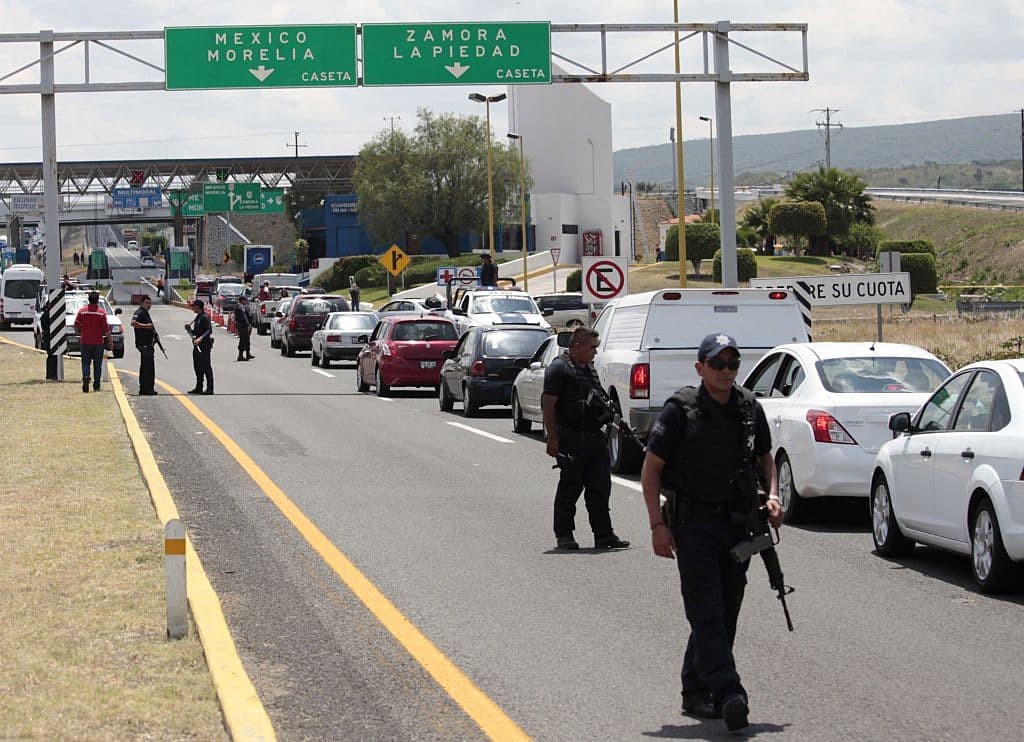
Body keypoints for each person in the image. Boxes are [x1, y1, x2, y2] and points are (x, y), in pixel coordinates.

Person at [640, 333, 782, 732]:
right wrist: (656, 526)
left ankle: (695, 689)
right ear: (699, 367)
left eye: (731, 364)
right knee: (706, 611)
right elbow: (651, 470)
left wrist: (772, 495)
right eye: (716, 364)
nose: (725, 371)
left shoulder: (750, 408)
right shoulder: (680, 410)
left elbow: (765, 459)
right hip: (693, 525)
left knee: (725, 612)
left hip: (739, 526)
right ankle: (728, 692)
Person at [542, 327, 630, 551]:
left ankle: (604, 535)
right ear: (577, 346)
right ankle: (564, 535)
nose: (595, 352)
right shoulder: (559, 369)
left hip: (593, 438)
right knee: (570, 488)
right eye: (592, 347)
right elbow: (549, 405)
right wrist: (552, 438)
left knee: (600, 488)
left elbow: (599, 397)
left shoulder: (588, 369)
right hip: (571, 438)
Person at [73, 290, 112, 393]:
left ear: (88, 300)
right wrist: (110, 341)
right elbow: (106, 329)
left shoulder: (82, 311)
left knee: (85, 362)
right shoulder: (101, 313)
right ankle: (96, 384)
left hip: (85, 341)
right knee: (97, 364)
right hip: (98, 342)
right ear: (97, 300)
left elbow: (76, 325)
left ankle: (86, 376)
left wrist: (80, 331)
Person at [131, 295, 158, 395]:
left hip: (148, 343)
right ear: (142, 303)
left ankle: (148, 388)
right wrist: (146, 326)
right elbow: (133, 323)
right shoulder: (139, 312)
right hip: (143, 344)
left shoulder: (146, 313)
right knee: (147, 367)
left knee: (149, 366)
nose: (149, 305)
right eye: (147, 303)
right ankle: (145, 388)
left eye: (150, 303)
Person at [186, 299, 214, 394]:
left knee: (206, 366)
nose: (192, 308)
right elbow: (196, 333)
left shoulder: (204, 317)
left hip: (204, 346)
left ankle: (210, 388)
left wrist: (200, 338)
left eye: (194, 306)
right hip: (197, 346)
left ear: (198, 307)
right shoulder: (198, 317)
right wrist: (189, 330)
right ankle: (199, 387)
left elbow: (209, 330)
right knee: (197, 366)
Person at [234, 295, 254, 362]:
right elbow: (243, 317)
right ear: (242, 300)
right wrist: (247, 325)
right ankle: (241, 356)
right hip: (243, 326)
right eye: (245, 300)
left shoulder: (242, 306)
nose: (246, 301)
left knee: (246, 340)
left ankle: (247, 354)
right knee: (243, 340)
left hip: (242, 325)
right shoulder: (240, 307)